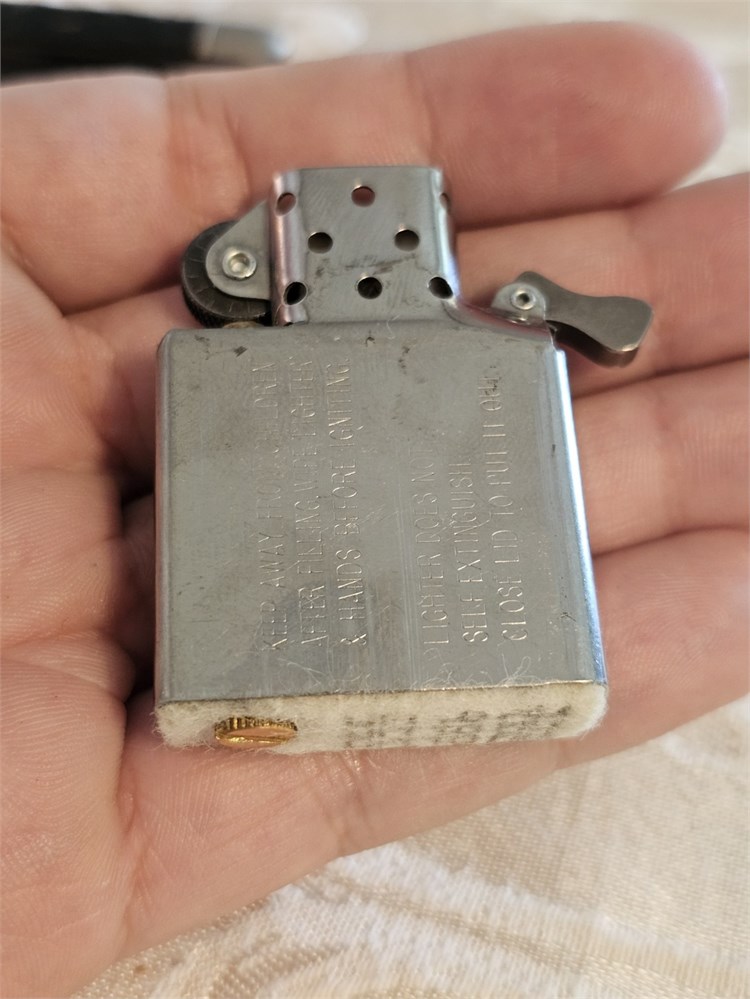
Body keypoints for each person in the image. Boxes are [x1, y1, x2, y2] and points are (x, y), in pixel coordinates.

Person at [1, 21, 747, 998]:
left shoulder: (498, 347)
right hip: (340, 663)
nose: (364, 250)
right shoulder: (500, 340)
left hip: (298, 679)